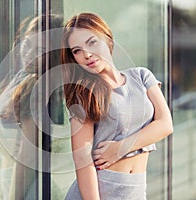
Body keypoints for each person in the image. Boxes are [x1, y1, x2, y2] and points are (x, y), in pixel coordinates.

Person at [61, 12, 173, 200]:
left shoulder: (141, 76)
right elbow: (82, 160)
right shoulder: (84, 95)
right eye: (77, 50)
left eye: (92, 42)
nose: (86, 54)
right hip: (99, 192)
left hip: (135, 190)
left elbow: (165, 124)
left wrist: (120, 148)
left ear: (107, 38)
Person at [0, 14, 63, 200]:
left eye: (40, 50)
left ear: (52, 55)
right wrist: (6, 147)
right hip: (13, 177)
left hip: (27, 185)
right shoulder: (23, 76)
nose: (29, 54)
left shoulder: (39, 89)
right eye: (27, 44)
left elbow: (27, 160)